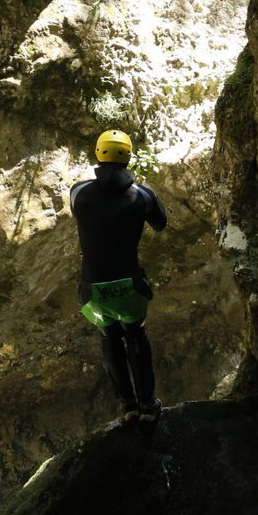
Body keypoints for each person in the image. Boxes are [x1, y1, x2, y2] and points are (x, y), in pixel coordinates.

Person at [70, 129, 167, 424]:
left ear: (98, 153)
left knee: (109, 337)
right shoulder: (143, 196)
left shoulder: (78, 192)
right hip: (129, 286)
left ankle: (128, 406)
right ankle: (147, 404)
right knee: (135, 335)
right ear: (128, 156)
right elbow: (160, 223)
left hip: (93, 290)